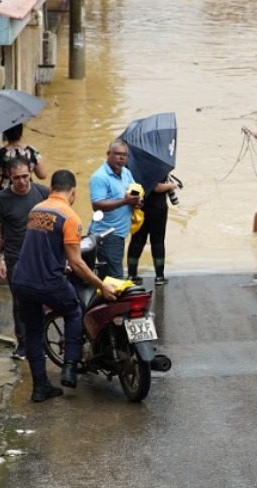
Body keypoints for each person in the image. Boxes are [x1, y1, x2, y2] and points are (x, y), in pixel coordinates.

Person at [12, 170, 118, 402]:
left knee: (33, 331)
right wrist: (102, 285)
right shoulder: (70, 217)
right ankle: (70, 366)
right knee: (73, 311)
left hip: (22, 280)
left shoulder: (36, 210)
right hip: (48, 281)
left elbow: (42, 245)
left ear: (51, 189)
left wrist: (62, 262)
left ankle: (40, 387)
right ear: (73, 192)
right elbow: (77, 263)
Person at [0, 157, 49, 360]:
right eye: (17, 178)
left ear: (31, 172)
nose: (22, 182)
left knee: (43, 298)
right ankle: (23, 343)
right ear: (9, 177)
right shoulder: (2, 199)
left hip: (41, 255)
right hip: (16, 257)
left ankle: (41, 340)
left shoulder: (43, 193)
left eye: (25, 176)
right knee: (20, 300)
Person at [89, 139, 141, 278]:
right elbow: (97, 204)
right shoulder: (100, 177)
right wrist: (125, 201)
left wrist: (136, 201)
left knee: (109, 276)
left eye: (125, 155)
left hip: (119, 234)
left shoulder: (126, 173)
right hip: (106, 234)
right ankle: (114, 300)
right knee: (115, 277)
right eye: (117, 154)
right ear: (108, 154)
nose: (121, 158)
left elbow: (134, 190)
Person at [126, 171, 179, 285]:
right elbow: (156, 187)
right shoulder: (157, 166)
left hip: (139, 208)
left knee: (137, 241)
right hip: (158, 209)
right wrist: (171, 185)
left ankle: (132, 274)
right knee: (158, 242)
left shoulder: (134, 167)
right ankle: (159, 276)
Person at [0, 124, 47, 188]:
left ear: (5, 133)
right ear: (21, 131)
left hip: (6, 191)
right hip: (26, 189)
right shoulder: (32, 151)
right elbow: (42, 175)